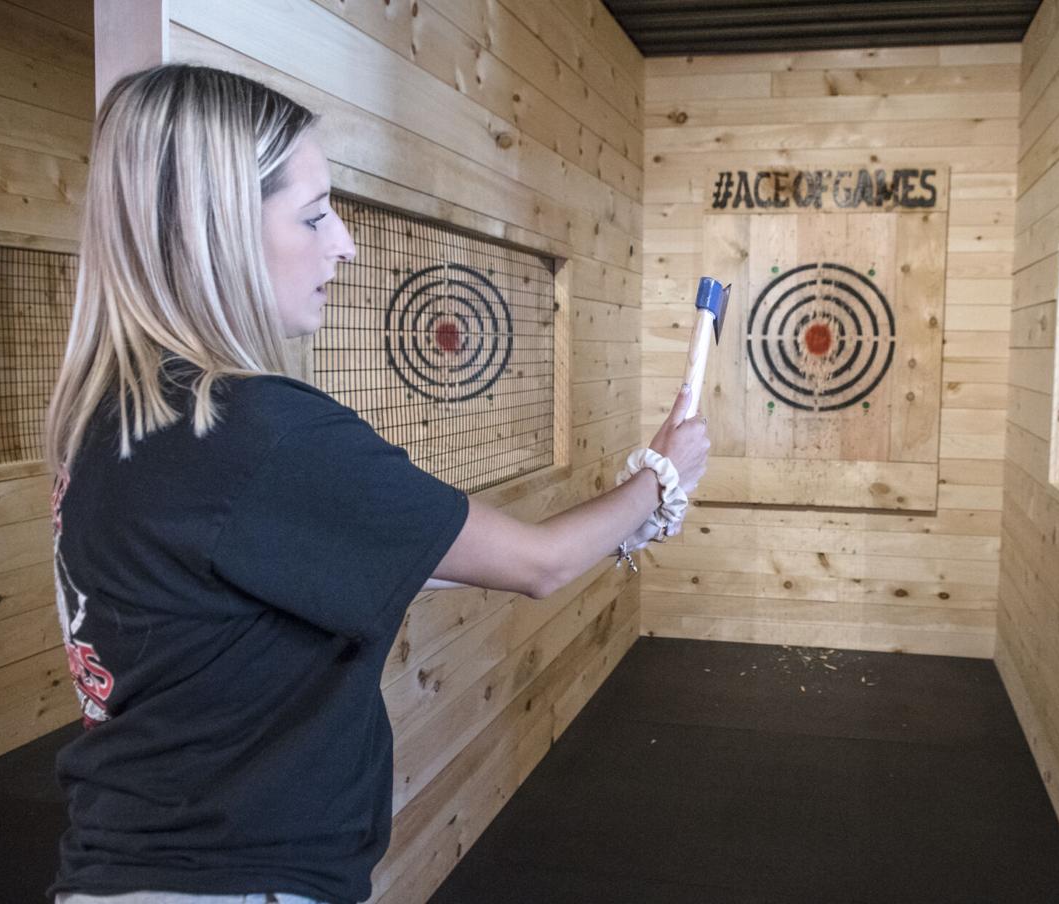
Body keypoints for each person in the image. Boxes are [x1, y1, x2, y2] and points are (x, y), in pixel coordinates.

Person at [44, 65, 708, 904]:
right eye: (314, 214)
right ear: (216, 229)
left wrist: (627, 516)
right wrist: (662, 476)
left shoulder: (122, 420)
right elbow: (538, 563)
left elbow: (308, 566)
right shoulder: (254, 433)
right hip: (228, 883)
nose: (345, 243)